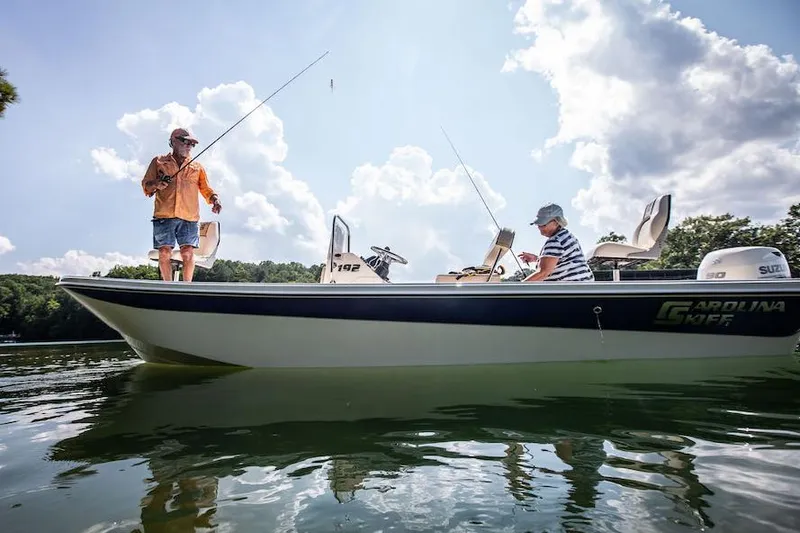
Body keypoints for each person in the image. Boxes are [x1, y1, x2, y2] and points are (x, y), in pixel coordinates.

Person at [141, 128, 222, 282]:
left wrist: (214, 199)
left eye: (192, 144)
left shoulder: (197, 167)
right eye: (186, 142)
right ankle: (168, 286)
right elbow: (146, 186)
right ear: (173, 141)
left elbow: (206, 188)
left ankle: (186, 286)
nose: (189, 146)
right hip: (164, 215)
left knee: (187, 252)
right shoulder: (158, 162)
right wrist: (158, 183)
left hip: (189, 217)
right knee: (164, 252)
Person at [517, 203, 595, 282]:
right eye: (538, 224)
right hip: (583, 289)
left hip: (570, 292)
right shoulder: (566, 236)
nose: (539, 227)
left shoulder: (556, 241)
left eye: (543, 224)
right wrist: (536, 259)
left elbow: (543, 273)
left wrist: (517, 289)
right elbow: (561, 262)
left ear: (556, 222)